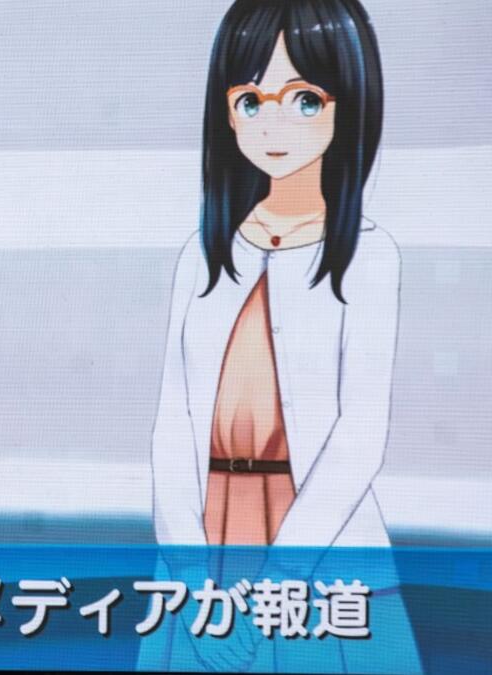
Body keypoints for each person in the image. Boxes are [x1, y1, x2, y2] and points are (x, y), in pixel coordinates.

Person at [146, 1, 419, 671]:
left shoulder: (369, 258)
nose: (272, 123)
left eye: (302, 100)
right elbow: (172, 426)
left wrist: (275, 587)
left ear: (347, 102)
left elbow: (359, 437)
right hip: (205, 548)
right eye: (249, 100)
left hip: (320, 554)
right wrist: (191, 580)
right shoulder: (202, 254)